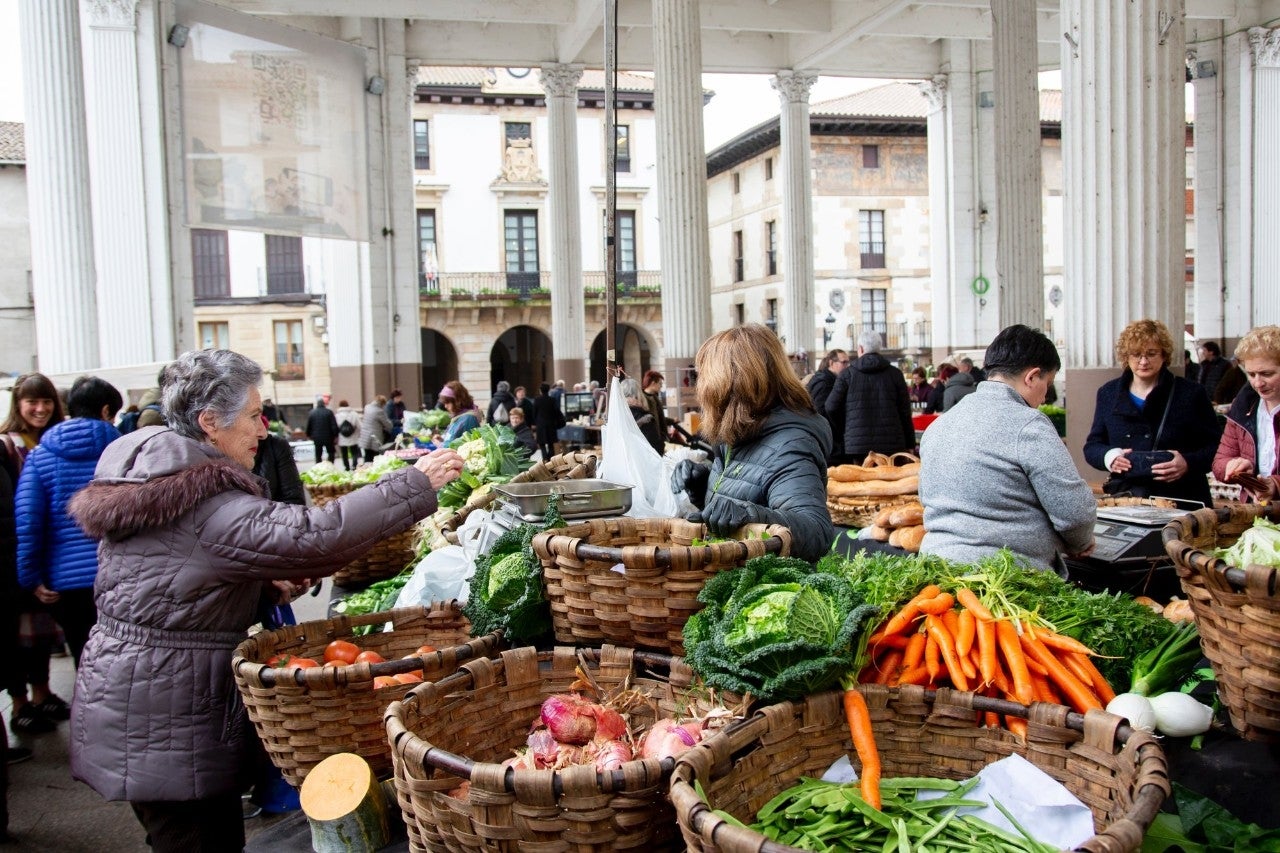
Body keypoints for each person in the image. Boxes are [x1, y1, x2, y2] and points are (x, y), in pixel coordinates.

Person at [64, 349, 464, 852]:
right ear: (210, 422)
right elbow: (317, 535)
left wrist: (256, 585)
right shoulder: (205, 500)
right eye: (254, 415)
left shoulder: (152, 472)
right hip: (166, 711)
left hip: (134, 693)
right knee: (199, 840)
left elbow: (173, 579)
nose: (263, 428)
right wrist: (413, 483)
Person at [918, 324, 1096, 572]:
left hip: (936, 570)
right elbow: (1074, 513)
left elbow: (927, 498)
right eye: (1048, 382)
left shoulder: (940, 424)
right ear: (1032, 377)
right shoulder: (1029, 425)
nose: (1045, 396)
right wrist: (1082, 542)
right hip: (1009, 580)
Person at [669, 324, 834, 563]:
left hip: (765, 589)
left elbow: (816, 531)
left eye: (705, 378)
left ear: (730, 385)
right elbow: (750, 487)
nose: (700, 388)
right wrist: (701, 484)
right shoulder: (736, 436)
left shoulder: (788, 445)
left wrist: (748, 514)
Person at [16, 376, 124, 669]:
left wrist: (30, 577)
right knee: (122, 660)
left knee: (84, 658)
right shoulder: (126, 449)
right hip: (121, 574)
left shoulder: (41, 456)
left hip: (65, 581)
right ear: (105, 411)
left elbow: (28, 519)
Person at [1083, 319, 1219, 506]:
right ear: (1126, 356)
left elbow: (1215, 446)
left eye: (1151, 354)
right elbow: (1093, 446)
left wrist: (1188, 462)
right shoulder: (1108, 393)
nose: (1143, 361)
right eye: (1136, 354)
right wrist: (1109, 457)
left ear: (1164, 355)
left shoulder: (1191, 393)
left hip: (1183, 498)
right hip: (1129, 499)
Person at [0, 373, 70, 736]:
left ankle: (42, 692)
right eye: (32, 402)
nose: (40, 409)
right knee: (17, 633)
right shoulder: (6, 444)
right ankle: (20, 702)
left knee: (43, 630)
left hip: (49, 549)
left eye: (46, 402)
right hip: (18, 550)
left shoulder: (53, 439)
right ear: (18, 404)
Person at [824, 329, 914, 464]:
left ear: (860, 349)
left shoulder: (847, 374)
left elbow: (830, 407)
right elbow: (905, 411)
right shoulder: (895, 374)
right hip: (892, 443)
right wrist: (910, 443)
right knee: (890, 482)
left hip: (858, 444)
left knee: (863, 482)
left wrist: (847, 427)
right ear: (879, 348)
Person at [1212, 325, 1280, 502]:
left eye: (1267, 374)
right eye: (1251, 374)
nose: (1257, 383)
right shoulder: (1242, 408)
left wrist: (1276, 485)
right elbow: (1219, 463)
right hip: (1255, 514)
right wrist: (1233, 467)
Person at [806, 350, 850, 462]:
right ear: (831, 363)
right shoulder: (825, 382)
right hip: (831, 444)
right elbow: (821, 413)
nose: (847, 366)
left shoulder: (830, 380)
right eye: (844, 362)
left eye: (848, 362)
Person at [620, 377, 665, 455]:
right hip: (642, 462)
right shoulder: (645, 418)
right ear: (639, 393)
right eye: (660, 384)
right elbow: (655, 446)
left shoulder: (616, 415)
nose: (661, 386)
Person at [532, 382, 565, 462]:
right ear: (549, 390)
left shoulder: (537, 400)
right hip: (551, 425)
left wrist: (535, 423)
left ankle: (544, 459)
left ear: (540, 390)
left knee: (542, 444)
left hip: (540, 425)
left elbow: (534, 413)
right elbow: (557, 412)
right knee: (551, 444)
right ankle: (550, 460)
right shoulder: (552, 400)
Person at [359, 394, 393, 464]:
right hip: (374, 437)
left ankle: (365, 471)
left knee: (367, 456)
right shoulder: (379, 411)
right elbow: (388, 425)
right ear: (382, 403)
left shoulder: (367, 407)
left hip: (365, 436)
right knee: (375, 458)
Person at [304, 395, 339, 464]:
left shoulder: (312, 413)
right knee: (331, 452)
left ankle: (318, 466)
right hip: (328, 437)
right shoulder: (329, 412)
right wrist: (336, 435)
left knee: (318, 453)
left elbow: (309, 425)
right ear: (324, 404)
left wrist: (308, 434)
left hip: (317, 437)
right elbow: (334, 425)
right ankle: (330, 464)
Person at [641, 370, 670, 440]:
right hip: (651, 439)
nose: (661, 386)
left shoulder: (654, 397)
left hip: (659, 437)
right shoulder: (642, 399)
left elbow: (658, 417)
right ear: (653, 383)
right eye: (660, 383)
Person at [334, 399, 361, 471]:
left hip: (342, 438)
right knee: (354, 452)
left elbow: (335, 427)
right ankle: (354, 465)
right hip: (353, 437)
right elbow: (359, 426)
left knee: (344, 454)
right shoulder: (354, 414)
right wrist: (358, 434)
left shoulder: (337, 415)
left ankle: (347, 467)